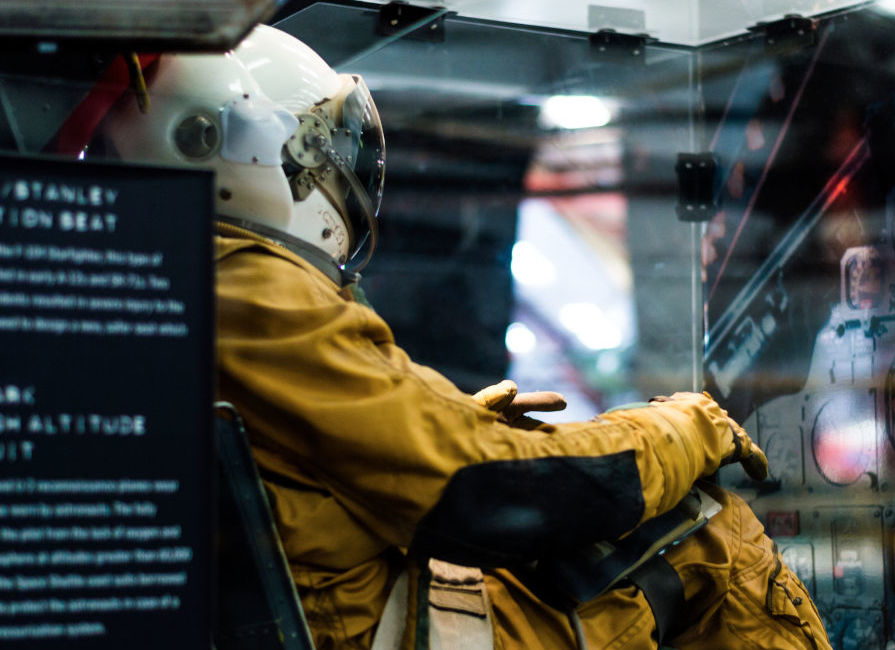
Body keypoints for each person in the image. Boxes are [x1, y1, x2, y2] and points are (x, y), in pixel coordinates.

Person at [90, 23, 831, 650]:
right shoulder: (248, 285)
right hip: (388, 625)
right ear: (237, 140)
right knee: (705, 529)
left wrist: (457, 418)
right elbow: (488, 490)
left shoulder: (149, 288)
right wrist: (684, 426)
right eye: (320, 150)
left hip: (345, 609)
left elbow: (338, 467)